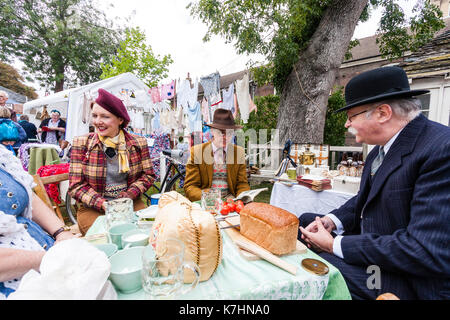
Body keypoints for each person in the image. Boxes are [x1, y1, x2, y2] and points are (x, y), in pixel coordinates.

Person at [298, 66, 450, 300]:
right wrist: (331, 221)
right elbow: (367, 198)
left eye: (351, 117)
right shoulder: (379, 151)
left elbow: (422, 250)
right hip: (381, 256)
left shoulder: (440, 149)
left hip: (406, 278)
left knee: (309, 263)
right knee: (305, 222)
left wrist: (334, 245)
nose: (347, 125)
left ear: (382, 113)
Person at [68, 88, 156, 235]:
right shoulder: (82, 143)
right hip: (93, 209)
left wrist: (129, 195)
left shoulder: (138, 143)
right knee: (105, 237)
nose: (97, 122)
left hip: (131, 204)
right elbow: (75, 185)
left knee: (145, 234)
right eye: (94, 116)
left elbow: (148, 176)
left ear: (120, 120)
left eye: (105, 116)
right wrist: (102, 204)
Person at [0, 143, 76, 299]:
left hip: (50, 253)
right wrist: (52, 259)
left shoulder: (2, 155)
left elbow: (29, 196)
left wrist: (61, 232)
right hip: (19, 285)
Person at [184, 108, 250, 202]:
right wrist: (209, 198)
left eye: (229, 133)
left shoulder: (238, 153)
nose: (225, 137)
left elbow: (242, 184)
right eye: (221, 132)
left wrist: (241, 198)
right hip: (206, 204)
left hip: (229, 205)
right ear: (212, 131)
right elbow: (190, 186)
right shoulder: (197, 152)